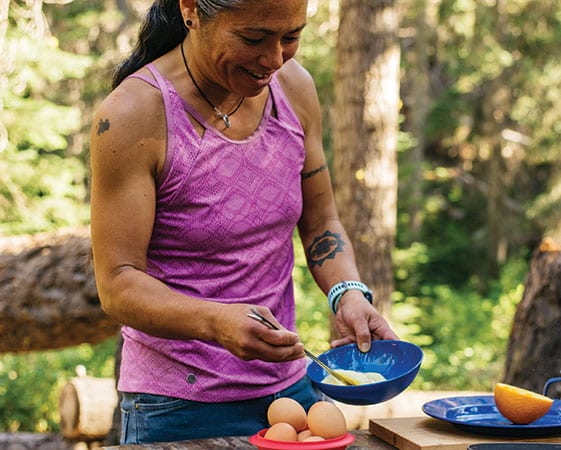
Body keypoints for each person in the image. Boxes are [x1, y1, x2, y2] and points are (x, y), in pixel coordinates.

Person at [89, 0, 398, 444]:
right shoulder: (133, 115)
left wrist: (347, 292)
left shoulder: (293, 89)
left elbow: (320, 220)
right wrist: (216, 322)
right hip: (179, 408)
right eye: (254, 38)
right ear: (191, 9)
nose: (274, 59)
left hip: (292, 393)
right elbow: (118, 283)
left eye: (291, 36)